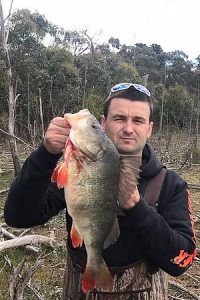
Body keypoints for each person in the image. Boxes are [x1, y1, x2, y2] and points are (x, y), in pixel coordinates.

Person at [4, 83, 196, 299]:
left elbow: (183, 261)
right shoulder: (78, 170)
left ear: (149, 129)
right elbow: (18, 217)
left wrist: (138, 207)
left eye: (138, 120)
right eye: (119, 118)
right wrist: (45, 155)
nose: (128, 128)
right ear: (103, 123)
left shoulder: (171, 184)